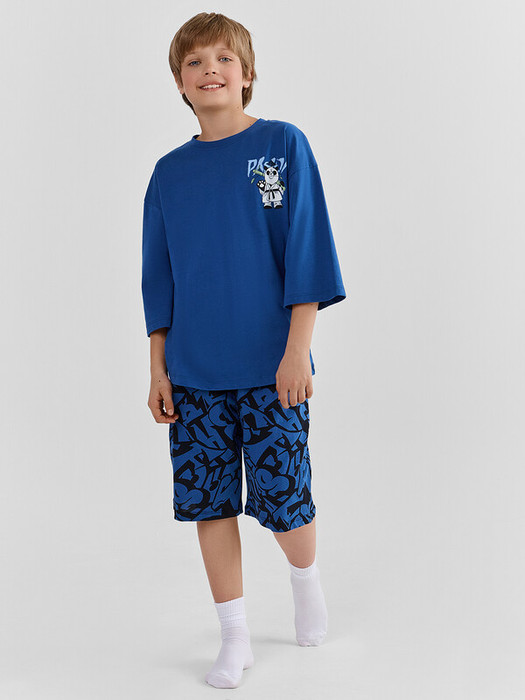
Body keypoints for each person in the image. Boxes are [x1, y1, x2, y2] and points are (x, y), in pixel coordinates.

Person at [141, 11, 347, 689]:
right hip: (194, 373)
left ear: (248, 73)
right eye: (194, 62)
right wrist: (158, 369)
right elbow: (158, 279)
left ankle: (305, 580)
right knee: (209, 504)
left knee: (285, 499)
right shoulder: (168, 174)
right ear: (179, 82)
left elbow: (307, 250)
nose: (210, 71)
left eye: (223, 59)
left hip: (271, 365)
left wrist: (297, 351)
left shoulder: (283, 146)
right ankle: (234, 637)